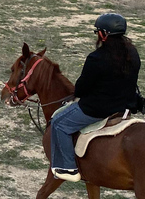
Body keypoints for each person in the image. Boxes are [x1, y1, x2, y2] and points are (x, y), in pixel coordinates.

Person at [50, 13, 141, 182]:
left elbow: (82, 88)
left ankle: (68, 168)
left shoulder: (97, 58)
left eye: (98, 32)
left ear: (103, 34)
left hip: (97, 109)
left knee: (59, 123)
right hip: (124, 106)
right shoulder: (133, 53)